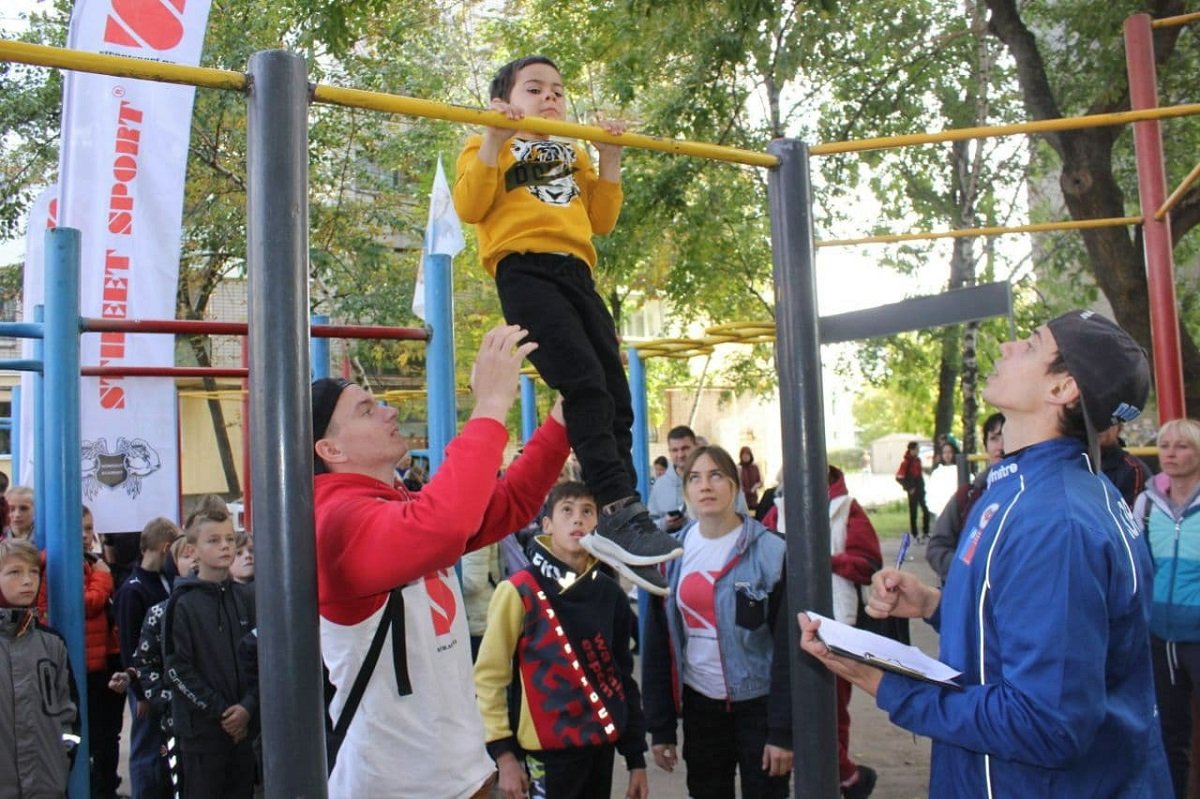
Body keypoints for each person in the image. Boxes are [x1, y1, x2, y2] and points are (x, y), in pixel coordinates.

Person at [799, 309, 1171, 797]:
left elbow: (1045, 724)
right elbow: (1037, 634)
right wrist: (936, 605)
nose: (1007, 347)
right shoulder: (1028, 486)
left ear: (1062, 388)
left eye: (1031, 345)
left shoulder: (1053, 520)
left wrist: (885, 685)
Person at [313, 324, 573, 799]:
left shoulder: (393, 507)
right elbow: (445, 523)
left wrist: (565, 415)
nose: (390, 411)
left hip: (461, 776)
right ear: (331, 449)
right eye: (367, 410)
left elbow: (510, 501)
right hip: (400, 790)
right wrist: (490, 404)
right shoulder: (336, 522)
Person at [453, 55, 679, 595]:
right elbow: (470, 205)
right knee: (583, 384)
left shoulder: (572, 151)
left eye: (557, 90)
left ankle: (623, 514)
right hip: (524, 270)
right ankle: (617, 507)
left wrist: (609, 158)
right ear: (504, 101)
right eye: (535, 89)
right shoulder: (489, 143)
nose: (551, 97)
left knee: (614, 391)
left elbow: (601, 219)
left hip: (576, 271)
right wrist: (493, 137)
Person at [474, 481, 648, 799]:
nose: (577, 519)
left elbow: (622, 677)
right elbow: (489, 677)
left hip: (600, 749)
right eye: (566, 510)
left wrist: (636, 758)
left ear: (598, 525)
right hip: (546, 754)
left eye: (587, 511)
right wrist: (503, 753)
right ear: (547, 524)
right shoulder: (518, 591)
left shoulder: (610, 593)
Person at [643, 445, 792, 799]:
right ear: (685, 490)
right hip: (701, 705)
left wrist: (782, 732)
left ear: (735, 486)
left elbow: (789, 648)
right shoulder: (669, 556)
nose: (705, 486)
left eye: (716, 476)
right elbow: (657, 645)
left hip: (759, 705)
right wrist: (661, 728)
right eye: (695, 478)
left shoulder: (771, 551)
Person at [765, 466, 879, 798]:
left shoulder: (847, 508)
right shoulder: (777, 510)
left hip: (837, 624)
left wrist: (822, 561)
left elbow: (868, 563)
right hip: (787, 624)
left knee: (832, 710)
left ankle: (843, 778)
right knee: (797, 710)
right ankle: (848, 778)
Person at [163, 500, 257, 799]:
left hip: (245, 730)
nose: (225, 546)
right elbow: (177, 669)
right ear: (193, 550)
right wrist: (222, 712)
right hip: (202, 735)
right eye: (213, 540)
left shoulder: (246, 597)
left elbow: (262, 659)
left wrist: (248, 707)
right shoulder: (182, 603)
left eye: (229, 538)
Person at [1132, 417, 1200, 798]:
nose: (1170, 454)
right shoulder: (1145, 504)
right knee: (1170, 737)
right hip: (1159, 637)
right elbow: (1139, 568)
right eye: (1164, 446)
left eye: (1182, 446)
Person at [0, 538, 78, 796]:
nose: (27, 581)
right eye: (14, 572)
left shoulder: (51, 642)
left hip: (45, 783)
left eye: (33, 572)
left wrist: (61, 760)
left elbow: (68, 712)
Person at [115, 516, 181, 799]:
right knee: (146, 746)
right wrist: (139, 693)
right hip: (145, 684)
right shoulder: (133, 589)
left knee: (162, 746)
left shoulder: (166, 580)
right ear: (166, 547)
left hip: (164, 678)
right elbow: (129, 644)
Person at [133, 535, 199, 798]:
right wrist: (167, 700)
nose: (194, 559)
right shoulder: (160, 612)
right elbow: (144, 663)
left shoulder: (230, 603)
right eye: (186, 555)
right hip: (178, 722)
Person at [926, 413, 1004, 584]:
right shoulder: (969, 496)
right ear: (985, 445)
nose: (1001, 446)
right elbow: (937, 547)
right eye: (994, 438)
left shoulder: (1036, 494)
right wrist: (967, 572)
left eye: (1006, 437)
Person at [83, 506, 125, 799]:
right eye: (80, 528)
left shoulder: (93, 563)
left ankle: (106, 788)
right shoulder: (58, 563)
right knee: (91, 737)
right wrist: (103, 579)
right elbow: (85, 603)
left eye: (89, 528)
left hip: (106, 658)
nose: (85, 535)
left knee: (108, 735)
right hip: (86, 664)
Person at [648, 425, 698, 532]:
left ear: (696, 447)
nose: (680, 455)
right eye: (675, 450)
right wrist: (665, 523)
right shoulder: (660, 485)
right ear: (669, 452)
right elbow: (649, 525)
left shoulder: (711, 481)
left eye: (685, 448)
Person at [1101, 420, 1154, 508]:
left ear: (1119, 428)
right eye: (1094, 423)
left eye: (1107, 423)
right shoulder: (1080, 464)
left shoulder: (1133, 470)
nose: (1100, 428)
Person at [893, 442, 930, 542]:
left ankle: (926, 532)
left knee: (926, 510)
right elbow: (899, 477)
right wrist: (909, 488)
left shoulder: (918, 460)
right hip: (912, 491)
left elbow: (919, 474)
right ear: (911, 450)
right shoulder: (906, 463)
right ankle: (915, 534)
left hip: (920, 489)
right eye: (916, 449)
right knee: (913, 512)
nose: (918, 451)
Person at [738, 446, 763, 512]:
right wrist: (749, 491)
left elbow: (760, 482)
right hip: (742, 500)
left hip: (753, 501)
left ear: (750, 456)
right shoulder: (738, 468)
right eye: (743, 454)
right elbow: (737, 484)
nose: (745, 456)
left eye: (747, 454)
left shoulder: (755, 467)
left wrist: (756, 486)